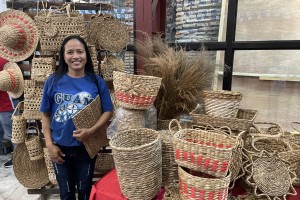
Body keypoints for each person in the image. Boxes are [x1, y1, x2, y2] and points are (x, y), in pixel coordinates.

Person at [40, 35, 113, 200]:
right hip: (60, 149)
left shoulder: (97, 81)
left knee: (85, 191)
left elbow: (108, 111)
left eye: (80, 51)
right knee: (66, 194)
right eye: (70, 52)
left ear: (86, 55)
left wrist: (91, 131)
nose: (75, 56)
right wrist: (50, 145)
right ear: (63, 56)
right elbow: (45, 114)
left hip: (86, 149)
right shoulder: (53, 81)